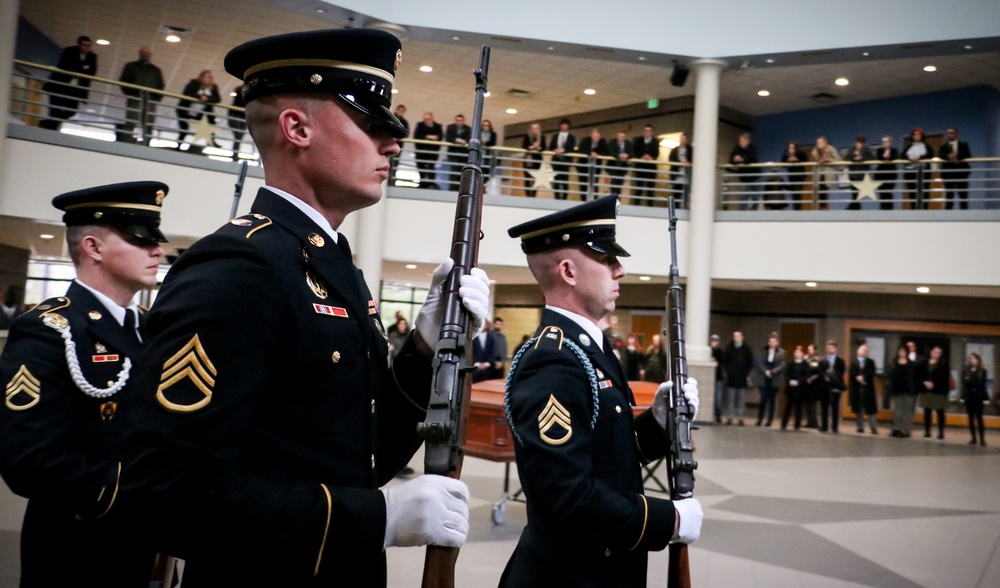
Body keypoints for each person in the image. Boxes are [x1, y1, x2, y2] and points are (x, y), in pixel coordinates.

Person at [118, 29, 492, 587]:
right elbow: (165, 493)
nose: (393, 144)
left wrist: (425, 346)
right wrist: (378, 516)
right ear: (297, 128)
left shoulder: (326, 264)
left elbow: (354, 451)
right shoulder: (240, 267)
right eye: (372, 125)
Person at [501, 195, 702, 587]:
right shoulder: (553, 361)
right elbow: (568, 498)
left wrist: (658, 422)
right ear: (569, 272)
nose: (620, 270)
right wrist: (669, 520)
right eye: (607, 259)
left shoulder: (590, 349)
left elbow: (606, 455)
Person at [0, 181, 169, 586]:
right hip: (73, 546)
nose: (157, 250)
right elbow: (28, 460)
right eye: (140, 240)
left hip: (139, 542)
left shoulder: (151, 328)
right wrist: (141, 489)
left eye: (155, 239)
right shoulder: (48, 330)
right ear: (92, 247)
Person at [40, 35, 97, 130]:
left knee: (72, 110)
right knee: (55, 110)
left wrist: (79, 68)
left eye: (89, 45)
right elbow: (66, 66)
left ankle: (47, 124)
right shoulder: (69, 51)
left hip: (75, 89)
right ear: (79, 44)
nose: (87, 48)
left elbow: (92, 72)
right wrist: (83, 67)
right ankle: (49, 128)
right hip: (59, 86)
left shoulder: (92, 56)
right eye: (84, 45)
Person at [116, 46, 165, 143]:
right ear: (139, 53)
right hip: (135, 97)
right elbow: (124, 81)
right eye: (143, 52)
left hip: (150, 100)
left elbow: (161, 85)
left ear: (150, 55)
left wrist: (156, 98)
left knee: (148, 124)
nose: (145, 54)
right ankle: (126, 142)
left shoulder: (156, 70)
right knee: (131, 121)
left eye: (147, 52)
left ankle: (146, 144)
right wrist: (131, 93)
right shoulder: (131, 66)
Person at [176, 70, 221, 145]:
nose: (208, 78)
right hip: (186, 110)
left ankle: (212, 140)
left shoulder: (213, 87)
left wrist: (207, 99)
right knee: (184, 129)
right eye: (206, 76)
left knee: (210, 123)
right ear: (201, 77)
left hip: (201, 112)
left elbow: (217, 99)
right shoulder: (194, 83)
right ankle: (178, 145)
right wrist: (199, 97)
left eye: (209, 77)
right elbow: (187, 93)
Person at [916, 345, 950, 440]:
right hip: (926, 390)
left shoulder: (944, 364)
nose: (935, 353)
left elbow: (944, 378)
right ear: (931, 352)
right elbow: (919, 374)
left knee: (940, 412)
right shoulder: (924, 363)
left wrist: (934, 383)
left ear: (941, 355)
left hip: (938, 391)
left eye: (938, 352)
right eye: (934, 351)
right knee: (927, 411)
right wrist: (924, 382)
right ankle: (927, 432)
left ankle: (941, 432)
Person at [723, 330, 754, 425]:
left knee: (741, 399)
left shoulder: (746, 349)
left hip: (742, 378)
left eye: (738, 336)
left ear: (742, 337)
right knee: (731, 399)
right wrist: (729, 371)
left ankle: (740, 418)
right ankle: (730, 417)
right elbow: (725, 361)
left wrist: (745, 372)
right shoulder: (729, 348)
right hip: (731, 378)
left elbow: (751, 362)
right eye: (735, 336)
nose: (736, 338)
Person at [754, 333, 785, 427]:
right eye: (770, 341)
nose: (772, 343)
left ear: (777, 342)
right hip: (764, 379)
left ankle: (769, 420)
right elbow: (757, 362)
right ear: (768, 342)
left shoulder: (781, 352)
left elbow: (782, 366)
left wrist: (772, 372)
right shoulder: (763, 351)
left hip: (774, 380)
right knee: (763, 400)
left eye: (774, 341)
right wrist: (765, 371)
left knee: (772, 401)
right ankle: (760, 419)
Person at [938, 127, 972, 210]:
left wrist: (957, 157)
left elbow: (968, 154)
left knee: (963, 194)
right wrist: (948, 156)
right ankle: (948, 214)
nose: (950, 134)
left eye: (952, 133)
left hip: (961, 172)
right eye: (949, 133)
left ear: (956, 134)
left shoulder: (963, 144)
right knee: (949, 195)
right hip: (948, 173)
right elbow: (940, 155)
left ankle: (964, 214)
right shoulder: (943, 145)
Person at [887, 345, 917, 438]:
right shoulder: (894, 363)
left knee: (907, 411)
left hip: (909, 390)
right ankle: (896, 428)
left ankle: (906, 430)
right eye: (900, 351)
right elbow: (890, 376)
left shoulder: (912, 364)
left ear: (907, 352)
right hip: (897, 390)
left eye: (904, 351)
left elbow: (915, 378)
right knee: (897, 410)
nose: (902, 353)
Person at [902, 128, 935, 209]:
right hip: (911, 173)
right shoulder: (909, 146)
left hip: (924, 173)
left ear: (921, 136)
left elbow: (931, 154)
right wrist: (910, 158)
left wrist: (919, 158)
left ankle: (924, 211)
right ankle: (914, 210)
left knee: (924, 192)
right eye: (915, 134)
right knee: (912, 193)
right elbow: (902, 155)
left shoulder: (926, 145)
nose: (916, 136)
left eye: (918, 134)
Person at [817, 340, 846, 432]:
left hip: (836, 386)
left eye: (832, 348)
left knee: (835, 407)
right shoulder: (823, 360)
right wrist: (825, 376)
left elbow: (841, 372)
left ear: (836, 349)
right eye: (829, 348)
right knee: (824, 407)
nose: (830, 349)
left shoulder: (840, 361)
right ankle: (824, 426)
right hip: (824, 386)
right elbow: (819, 370)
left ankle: (834, 427)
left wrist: (833, 378)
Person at [849, 343, 878, 434]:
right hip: (857, 388)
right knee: (858, 408)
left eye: (866, 350)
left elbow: (872, 372)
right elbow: (851, 372)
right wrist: (857, 377)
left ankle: (873, 427)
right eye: (862, 349)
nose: (864, 351)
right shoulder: (853, 362)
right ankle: (860, 426)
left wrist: (863, 377)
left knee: (870, 409)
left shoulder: (870, 362)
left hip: (867, 388)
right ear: (858, 350)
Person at [547, 118, 577, 200]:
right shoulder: (555, 136)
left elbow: (571, 149)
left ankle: (564, 198)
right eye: (562, 125)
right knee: (556, 181)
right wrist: (554, 150)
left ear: (568, 126)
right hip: (556, 161)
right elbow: (550, 147)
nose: (564, 126)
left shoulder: (571, 137)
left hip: (565, 161)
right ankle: (556, 198)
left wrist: (563, 150)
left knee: (565, 181)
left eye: (566, 125)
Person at [728, 133, 760, 210]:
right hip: (744, 177)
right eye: (740, 141)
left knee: (756, 197)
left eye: (743, 141)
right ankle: (743, 213)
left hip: (754, 176)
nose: (741, 142)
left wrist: (743, 159)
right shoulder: (737, 148)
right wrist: (735, 159)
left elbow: (753, 159)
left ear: (748, 141)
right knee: (743, 196)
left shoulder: (752, 148)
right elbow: (730, 160)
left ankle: (753, 211)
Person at [962, 353, 988, 446]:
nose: (972, 360)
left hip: (978, 396)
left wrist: (970, 381)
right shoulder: (966, 371)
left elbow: (981, 384)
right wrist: (971, 382)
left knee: (979, 417)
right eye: (970, 359)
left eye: (974, 358)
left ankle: (982, 439)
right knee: (970, 418)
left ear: (978, 360)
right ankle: (973, 438)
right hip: (969, 397)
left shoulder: (983, 371)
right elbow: (965, 383)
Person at [413, 112, 443, 189]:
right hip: (421, 152)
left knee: (431, 168)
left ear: (432, 119)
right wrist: (428, 137)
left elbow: (440, 138)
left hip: (432, 153)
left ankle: (431, 183)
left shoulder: (438, 127)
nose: (427, 121)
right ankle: (422, 182)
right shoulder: (420, 125)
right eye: (425, 119)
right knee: (421, 167)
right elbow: (416, 136)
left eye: (428, 119)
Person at [781, 346, 809, 431]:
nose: (797, 354)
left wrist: (798, 382)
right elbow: (786, 374)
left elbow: (806, 375)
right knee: (788, 407)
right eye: (796, 352)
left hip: (800, 389)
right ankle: (784, 424)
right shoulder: (790, 363)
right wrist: (790, 381)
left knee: (799, 408)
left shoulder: (805, 364)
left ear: (802, 354)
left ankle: (797, 425)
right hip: (791, 389)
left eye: (799, 352)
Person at [632, 124, 661, 205]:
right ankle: (636, 205)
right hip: (640, 167)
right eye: (646, 130)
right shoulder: (638, 140)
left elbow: (657, 152)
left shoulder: (655, 141)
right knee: (639, 188)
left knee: (650, 189)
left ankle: (650, 206)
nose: (647, 132)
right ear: (643, 131)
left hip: (651, 168)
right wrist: (642, 157)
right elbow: (635, 151)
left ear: (652, 132)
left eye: (649, 131)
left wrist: (651, 157)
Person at [809, 137, 840, 210]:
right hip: (818, 172)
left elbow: (838, 159)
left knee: (825, 189)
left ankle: (824, 207)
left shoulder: (830, 149)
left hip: (828, 172)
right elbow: (811, 159)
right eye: (817, 142)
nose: (818, 144)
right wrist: (816, 159)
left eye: (820, 142)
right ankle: (820, 207)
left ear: (824, 142)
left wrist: (828, 160)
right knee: (819, 190)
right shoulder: (815, 150)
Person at [844, 135, 873, 210]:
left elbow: (872, 158)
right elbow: (846, 158)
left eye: (860, 143)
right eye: (856, 142)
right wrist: (853, 158)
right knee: (854, 194)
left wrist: (862, 158)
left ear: (863, 144)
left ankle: (851, 209)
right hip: (853, 174)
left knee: (857, 195)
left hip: (862, 175)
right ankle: (854, 210)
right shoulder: (851, 148)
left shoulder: (867, 149)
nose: (857, 144)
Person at [444, 113, 471, 191]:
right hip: (453, 154)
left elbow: (469, 138)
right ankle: (452, 188)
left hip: (463, 155)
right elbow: (448, 137)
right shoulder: (450, 127)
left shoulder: (468, 128)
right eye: (457, 120)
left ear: (463, 121)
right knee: (453, 171)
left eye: (461, 120)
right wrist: (458, 140)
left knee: (462, 171)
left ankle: (461, 188)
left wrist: (464, 141)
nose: (459, 122)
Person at [576, 127, 607, 193]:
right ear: (591, 135)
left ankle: (594, 202)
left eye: (597, 136)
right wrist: (590, 153)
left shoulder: (603, 142)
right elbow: (580, 150)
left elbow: (605, 152)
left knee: (594, 186)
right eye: (594, 135)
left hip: (595, 168)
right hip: (583, 167)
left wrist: (597, 154)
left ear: (600, 136)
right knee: (583, 186)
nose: (595, 137)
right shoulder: (585, 140)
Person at [873, 135, 900, 210]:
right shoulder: (879, 150)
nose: (884, 143)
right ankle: (883, 210)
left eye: (886, 141)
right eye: (883, 141)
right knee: (882, 193)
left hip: (891, 175)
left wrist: (888, 156)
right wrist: (884, 156)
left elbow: (895, 158)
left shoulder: (894, 150)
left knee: (888, 192)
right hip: (880, 175)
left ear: (890, 142)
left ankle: (889, 210)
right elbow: (878, 158)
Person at [780, 141, 809, 210]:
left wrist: (797, 160)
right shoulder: (786, 154)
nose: (791, 149)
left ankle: (798, 210)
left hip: (800, 175)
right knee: (794, 194)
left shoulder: (800, 153)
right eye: (790, 147)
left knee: (797, 192)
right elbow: (783, 164)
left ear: (796, 148)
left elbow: (806, 160)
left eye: (793, 147)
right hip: (792, 176)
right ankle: (796, 210)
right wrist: (788, 161)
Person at [521, 122, 545, 198]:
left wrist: (538, 147)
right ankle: (528, 195)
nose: (535, 130)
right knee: (527, 179)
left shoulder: (541, 137)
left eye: (536, 128)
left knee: (536, 179)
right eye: (533, 128)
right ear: (531, 129)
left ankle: (534, 195)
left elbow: (544, 148)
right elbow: (524, 146)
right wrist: (531, 147)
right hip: (528, 160)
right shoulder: (527, 136)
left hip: (537, 160)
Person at [668, 133, 692, 207]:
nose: (683, 140)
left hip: (687, 176)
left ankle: (685, 208)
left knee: (686, 195)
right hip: (677, 176)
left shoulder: (691, 150)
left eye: (684, 139)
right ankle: (676, 209)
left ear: (687, 140)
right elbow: (671, 159)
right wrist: (679, 162)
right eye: (682, 139)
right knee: (676, 194)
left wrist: (688, 162)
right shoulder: (675, 150)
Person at [607, 131, 632, 199]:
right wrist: (618, 155)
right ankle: (613, 202)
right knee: (613, 187)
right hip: (613, 167)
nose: (621, 138)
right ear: (617, 136)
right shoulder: (612, 142)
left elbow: (632, 153)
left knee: (619, 188)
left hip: (622, 168)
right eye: (620, 136)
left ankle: (617, 204)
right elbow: (609, 152)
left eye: (623, 137)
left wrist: (627, 155)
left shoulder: (629, 144)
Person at [228, 85, 248, 154]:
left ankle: (235, 154)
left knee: (239, 136)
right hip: (235, 114)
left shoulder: (241, 90)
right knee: (238, 135)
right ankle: (235, 154)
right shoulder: (239, 90)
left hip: (244, 115)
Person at [710, 333, 725, 423]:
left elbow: (722, 360)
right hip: (713, 378)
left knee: (718, 399)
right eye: (713, 341)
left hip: (718, 378)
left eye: (716, 341)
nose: (714, 343)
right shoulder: (708, 351)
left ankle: (718, 416)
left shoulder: (720, 352)